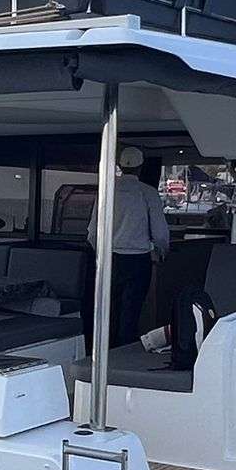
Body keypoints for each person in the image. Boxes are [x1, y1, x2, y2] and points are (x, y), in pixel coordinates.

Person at [87, 144, 170, 346]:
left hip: (109, 259)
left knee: (109, 309)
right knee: (131, 310)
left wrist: (101, 254)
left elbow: (92, 232)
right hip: (137, 260)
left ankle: (106, 350)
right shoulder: (148, 193)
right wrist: (163, 251)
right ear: (141, 167)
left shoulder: (106, 191)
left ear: (120, 166)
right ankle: (124, 352)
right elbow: (159, 232)